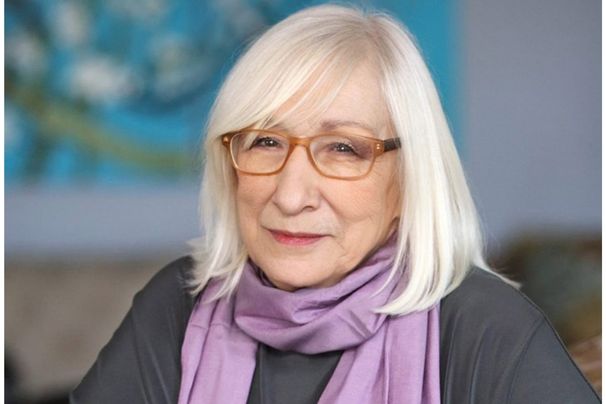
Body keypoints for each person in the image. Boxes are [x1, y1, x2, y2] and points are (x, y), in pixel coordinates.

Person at [71, 5, 600, 404]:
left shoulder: (486, 328)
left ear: (409, 180)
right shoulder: (179, 304)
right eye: (265, 141)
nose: (290, 195)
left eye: (344, 149)